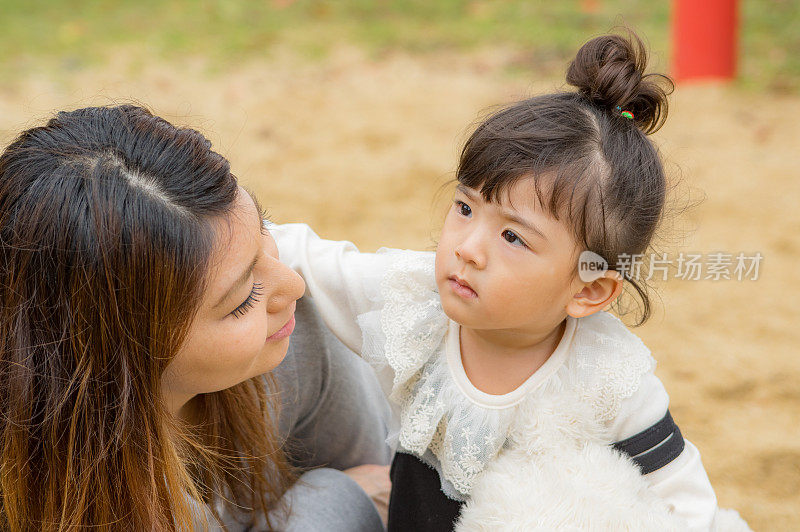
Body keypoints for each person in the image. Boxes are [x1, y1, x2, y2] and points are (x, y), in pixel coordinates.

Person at [268, 31, 751, 531]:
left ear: (588, 289)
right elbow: (307, 257)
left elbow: (689, 509)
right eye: (464, 208)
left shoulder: (609, 382)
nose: (467, 248)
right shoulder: (415, 305)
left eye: (513, 238)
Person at [0, 105, 392, 531]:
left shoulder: (296, 334)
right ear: (121, 354)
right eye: (243, 299)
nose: (293, 286)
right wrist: (339, 502)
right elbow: (373, 495)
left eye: (265, 233)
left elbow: (388, 483)